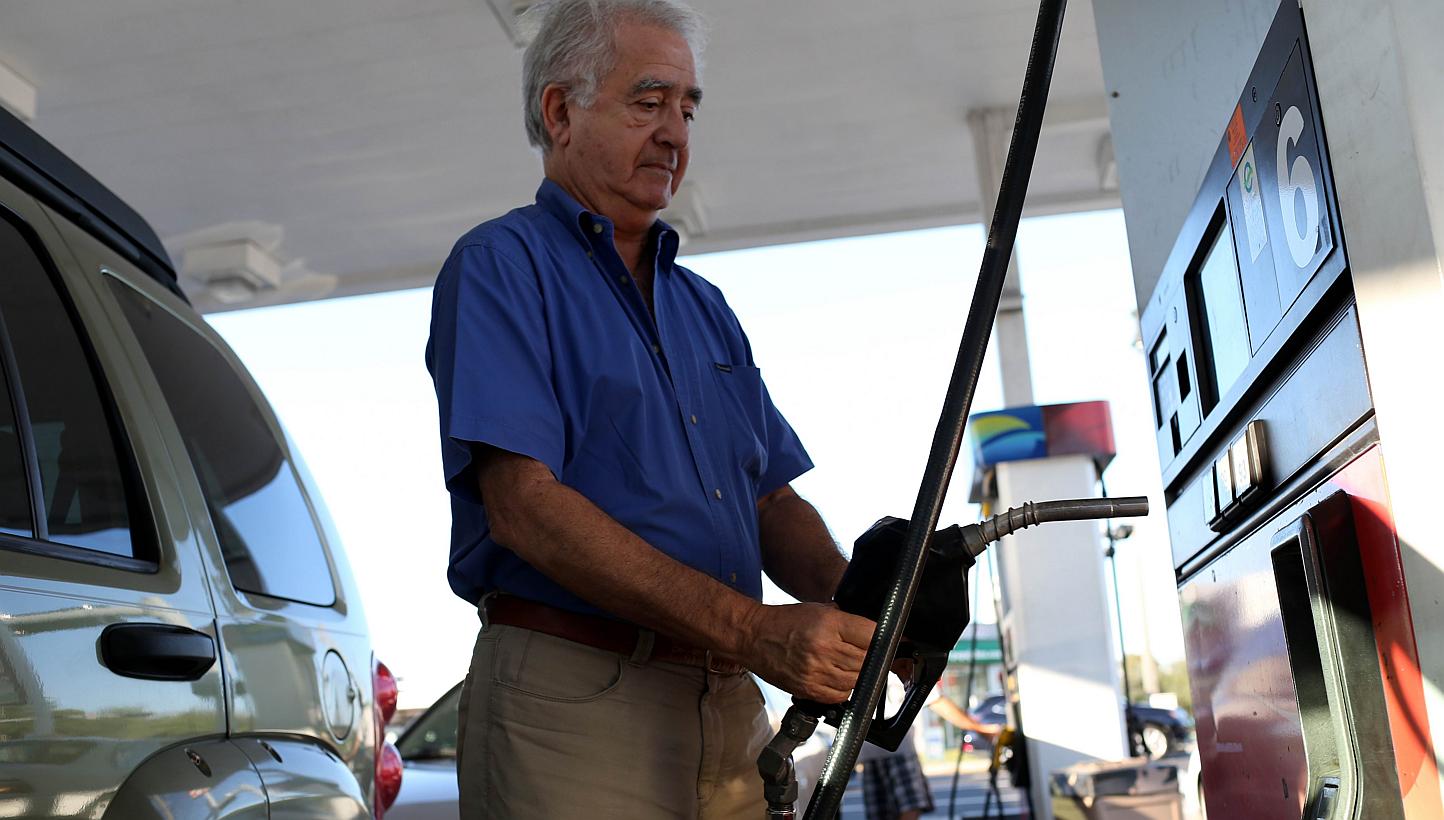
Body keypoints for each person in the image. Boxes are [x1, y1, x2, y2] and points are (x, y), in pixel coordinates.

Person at [425, 1, 876, 816]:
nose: (676, 132)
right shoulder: (499, 266)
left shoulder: (705, 305)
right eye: (649, 101)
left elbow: (768, 496)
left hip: (732, 706)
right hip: (576, 705)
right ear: (561, 111)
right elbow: (523, 505)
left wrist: (862, 613)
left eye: (688, 106)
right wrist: (754, 630)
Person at [856, 684, 1003, 820]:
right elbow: (936, 700)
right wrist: (982, 729)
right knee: (909, 808)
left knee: (883, 813)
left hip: (869, 751)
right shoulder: (902, 663)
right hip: (897, 750)